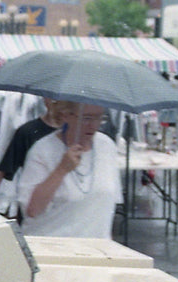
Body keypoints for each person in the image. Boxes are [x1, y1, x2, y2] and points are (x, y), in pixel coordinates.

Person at [15, 100, 123, 238]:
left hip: (96, 251)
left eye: (100, 118)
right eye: (87, 118)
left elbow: (107, 207)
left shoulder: (107, 146)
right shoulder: (42, 150)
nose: (94, 125)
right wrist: (61, 169)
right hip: (52, 249)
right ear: (66, 115)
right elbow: (32, 210)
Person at [0, 97, 62, 212]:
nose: (60, 106)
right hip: (33, 211)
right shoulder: (28, 132)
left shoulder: (77, 135)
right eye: (55, 100)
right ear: (45, 99)